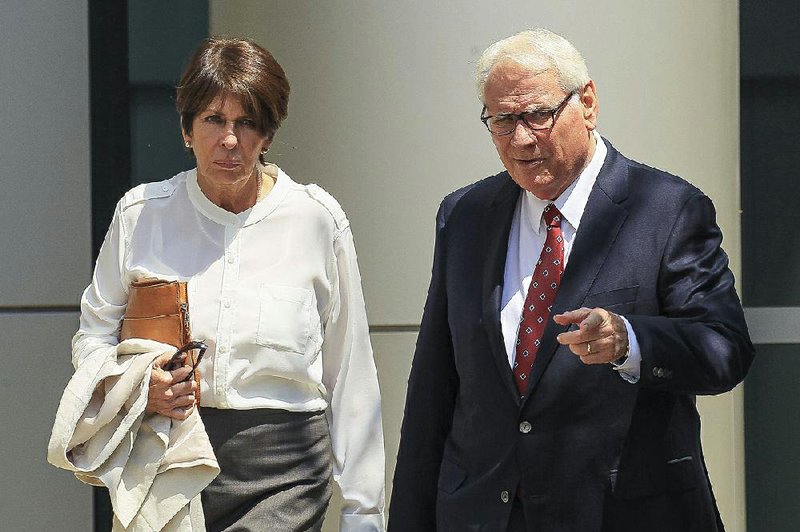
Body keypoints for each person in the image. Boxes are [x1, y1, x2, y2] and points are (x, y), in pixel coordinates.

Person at [388, 28, 754, 532]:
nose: (520, 139)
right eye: (501, 121)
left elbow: (724, 349)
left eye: (537, 115)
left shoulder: (668, 209)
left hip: (619, 511)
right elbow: (434, 385)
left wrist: (631, 340)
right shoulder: (465, 216)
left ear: (587, 102)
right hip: (484, 514)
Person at [72, 38, 385, 531]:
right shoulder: (141, 214)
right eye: (215, 120)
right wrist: (136, 387)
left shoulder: (316, 219)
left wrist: (364, 514)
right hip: (165, 457)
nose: (230, 140)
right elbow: (92, 338)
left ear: (268, 134)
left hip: (287, 469)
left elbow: (350, 373)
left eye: (247, 123)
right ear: (186, 129)